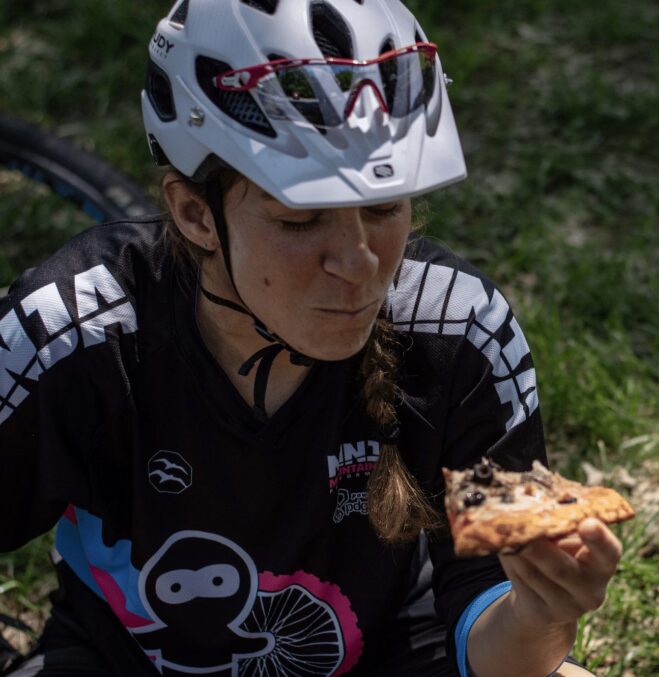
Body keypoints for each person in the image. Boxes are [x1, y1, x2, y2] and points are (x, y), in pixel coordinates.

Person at [0, 0, 622, 675]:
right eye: (301, 220)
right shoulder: (71, 330)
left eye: (384, 208)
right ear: (193, 213)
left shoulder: (460, 332)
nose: (358, 263)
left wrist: (539, 614)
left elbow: (500, 652)